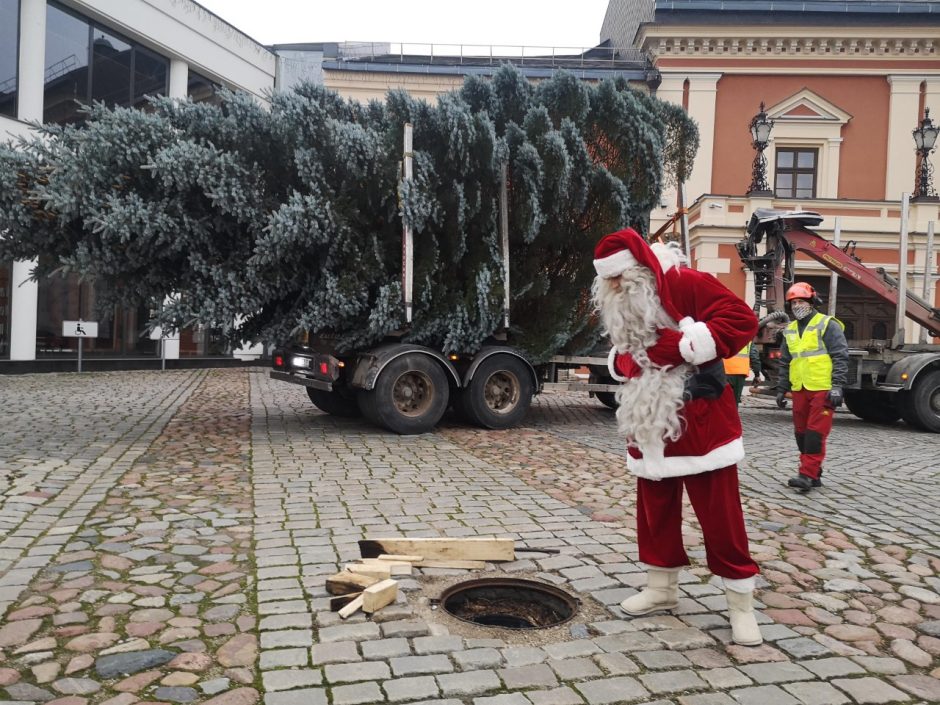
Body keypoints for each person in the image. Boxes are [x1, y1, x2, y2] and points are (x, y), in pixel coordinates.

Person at [592, 228, 763, 647]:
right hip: (648, 421)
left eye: (621, 276)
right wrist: (631, 360)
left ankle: (741, 606)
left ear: (641, 268)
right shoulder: (624, 304)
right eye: (607, 280)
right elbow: (630, 352)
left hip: (700, 418)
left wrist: (687, 346)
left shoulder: (685, 282)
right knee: (655, 510)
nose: (615, 286)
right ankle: (661, 588)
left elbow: (742, 320)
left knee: (721, 516)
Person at [775, 282, 849, 493]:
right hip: (800, 388)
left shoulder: (827, 324)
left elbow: (840, 356)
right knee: (801, 433)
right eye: (794, 302)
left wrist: (837, 386)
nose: (797, 305)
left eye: (801, 301)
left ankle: (806, 474)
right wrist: (781, 388)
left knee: (815, 433)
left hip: (822, 388)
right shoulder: (789, 330)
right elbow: (785, 362)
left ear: (811, 302)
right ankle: (814, 473)